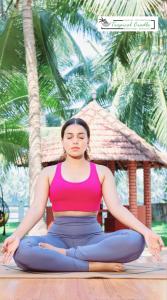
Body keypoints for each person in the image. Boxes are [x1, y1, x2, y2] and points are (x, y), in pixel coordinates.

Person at [1, 118, 164, 272]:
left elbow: (116, 208)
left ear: (88, 140)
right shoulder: (48, 173)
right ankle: (91, 266)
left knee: (135, 240)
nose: (75, 141)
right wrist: (16, 236)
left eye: (80, 136)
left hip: (93, 239)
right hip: (57, 238)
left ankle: (66, 256)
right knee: (22, 250)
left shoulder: (102, 172)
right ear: (63, 141)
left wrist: (147, 232)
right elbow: (36, 209)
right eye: (69, 137)